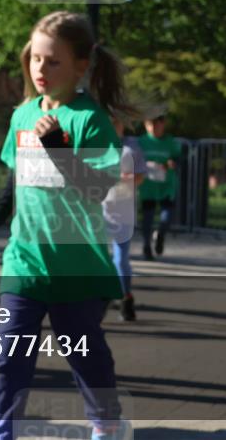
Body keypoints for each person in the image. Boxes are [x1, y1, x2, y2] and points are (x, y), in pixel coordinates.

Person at [0, 11, 133, 440]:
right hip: (24, 259)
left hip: (76, 264)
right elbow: (17, 176)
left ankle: (105, 424)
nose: (40, 70)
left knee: (85, 356)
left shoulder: (90, 120)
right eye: (35, 59)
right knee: (10, 353)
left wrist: (60, 145)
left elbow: (96, 188)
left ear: (82, 66)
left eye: (53, 61)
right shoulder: (23, 115)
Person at [104, 116, 146, 321]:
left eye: (116, 123)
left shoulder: (131, 149)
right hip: (100, 208)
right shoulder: (97, 146)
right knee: (99, 257)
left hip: (123, 210)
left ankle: (125, 297)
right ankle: (103, 296)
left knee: (120, 259)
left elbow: (140, 175)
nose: (113, 127)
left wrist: (126, 179)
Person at [136, 109, 182, 260]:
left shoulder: (170, 142)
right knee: (148, 218)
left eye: (157, 125)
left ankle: (161, 235)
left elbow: (179, 158)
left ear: (163, 124)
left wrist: (171, 163)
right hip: (148, 187)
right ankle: (146, 246)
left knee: (166, 218)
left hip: (166, 186)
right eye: (150, 125)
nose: (154, 128)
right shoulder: (141, 142)